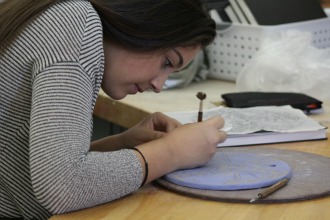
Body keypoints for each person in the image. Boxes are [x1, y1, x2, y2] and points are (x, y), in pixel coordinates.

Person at [0, 0, 226, 219]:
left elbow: (34, 169)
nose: (159, 85)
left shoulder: (62, 13)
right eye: (167, 62)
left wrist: (122, 144)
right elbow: (62, 187)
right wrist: (171, 152)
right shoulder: (77, 24)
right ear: (143, 25)